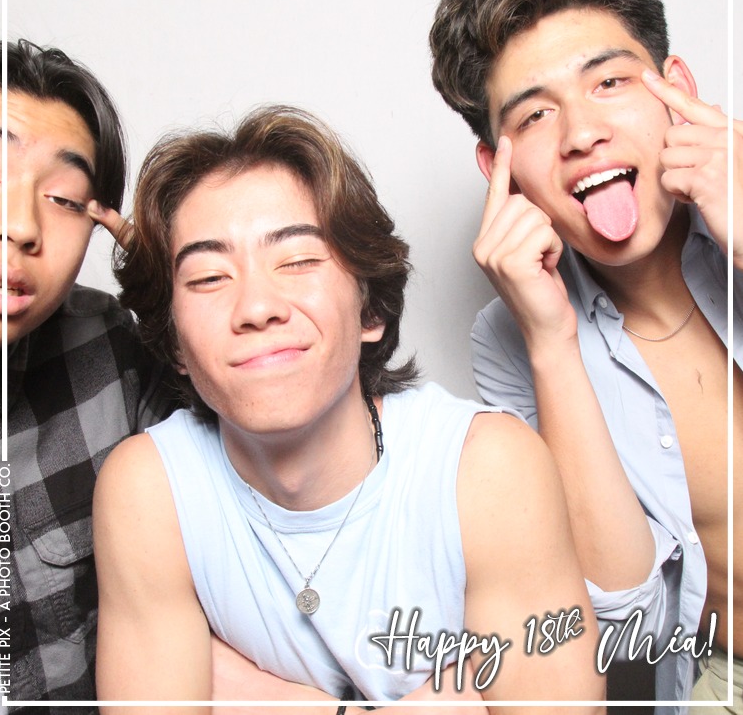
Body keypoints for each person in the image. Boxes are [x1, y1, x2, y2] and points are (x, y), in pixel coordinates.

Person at [93, 104, 605, 712]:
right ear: (174, 341)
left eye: (298, 261)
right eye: (208, 277)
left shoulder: (486, 469)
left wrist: (274, 701)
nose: (256, 307)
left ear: (371, 310)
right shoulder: (150, 489)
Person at [429, 0, 741, 713]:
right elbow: (627, 623)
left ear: (677, 90)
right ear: (498, 169)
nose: (581, 134)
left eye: (609, 83)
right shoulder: (511, 337)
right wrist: (551, 343)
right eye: (535, 115)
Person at [0, 39, 173, 709]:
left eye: (64, 199)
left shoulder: (106, 346)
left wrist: (175, 299)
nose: (20, 226)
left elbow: (257, 491)